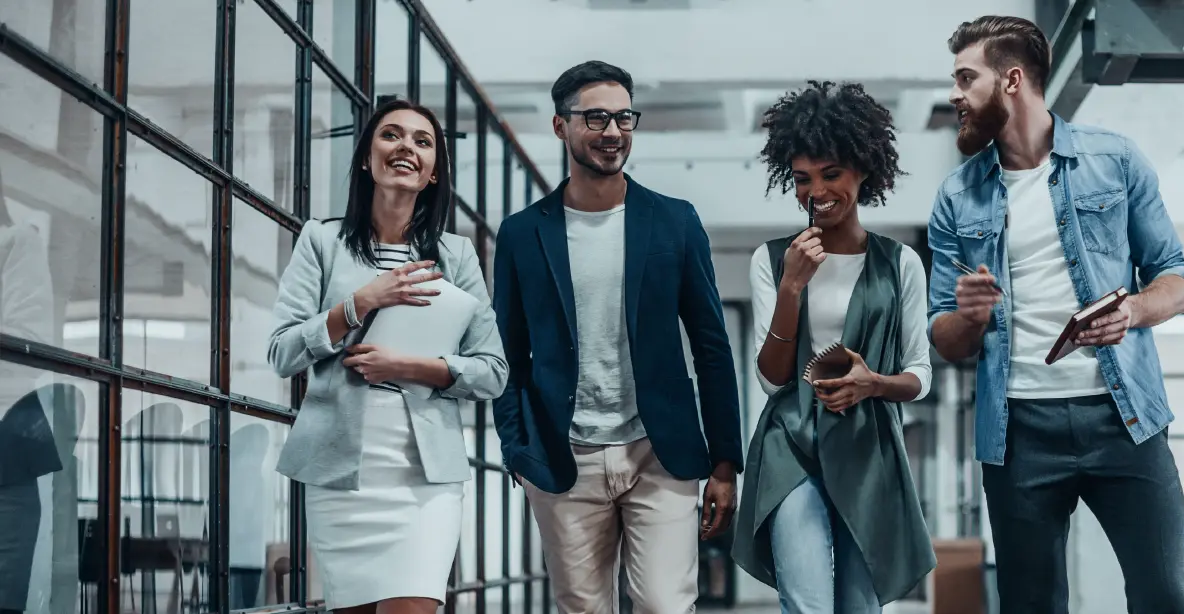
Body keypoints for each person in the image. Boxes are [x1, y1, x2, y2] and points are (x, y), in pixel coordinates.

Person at [926, 16, 1184, 613]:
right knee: (1030, 604)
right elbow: (943, 337)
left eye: (966, 78)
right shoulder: (956, 196)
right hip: (1019, 431)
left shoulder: (1116, 161)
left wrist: (1132, 310)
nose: (955, 94)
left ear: (1012, 80)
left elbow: (1176, 280)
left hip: (1125, 420)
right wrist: (968, 316)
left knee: (1167, 594)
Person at [490, 60, 741, 613]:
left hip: (660, 451)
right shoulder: (522, 234)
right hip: (564, 454)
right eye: (596, 118)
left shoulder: (674, 221)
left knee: (663, 604)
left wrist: (725, 461)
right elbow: (505, 353)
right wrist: (517, 447)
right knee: (583, 608)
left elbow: (711, 345)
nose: (612, 132)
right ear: (561, 127)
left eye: (624, 118)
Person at [267, 98, 508, 614]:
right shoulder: (322, 242)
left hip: (423, 478)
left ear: (434, 170)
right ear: (365, 158)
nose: (406, 148)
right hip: (341, 475)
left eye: (423, 142)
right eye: (391, 135)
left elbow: (493, 373)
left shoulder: (457, 255)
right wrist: (360, 303)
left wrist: (404, 367)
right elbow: (283, 352)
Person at [732, 81, 936, 613]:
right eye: (802, 179)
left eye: (830, 175)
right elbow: (772, 379)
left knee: (859, 606)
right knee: (806, 603)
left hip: (868, 450)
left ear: (864, 171)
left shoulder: (900, 264)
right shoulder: (773, 259)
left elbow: (920, 373)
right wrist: (791, 287)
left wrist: (874, 384)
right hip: (790, 444)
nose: (815, 191)